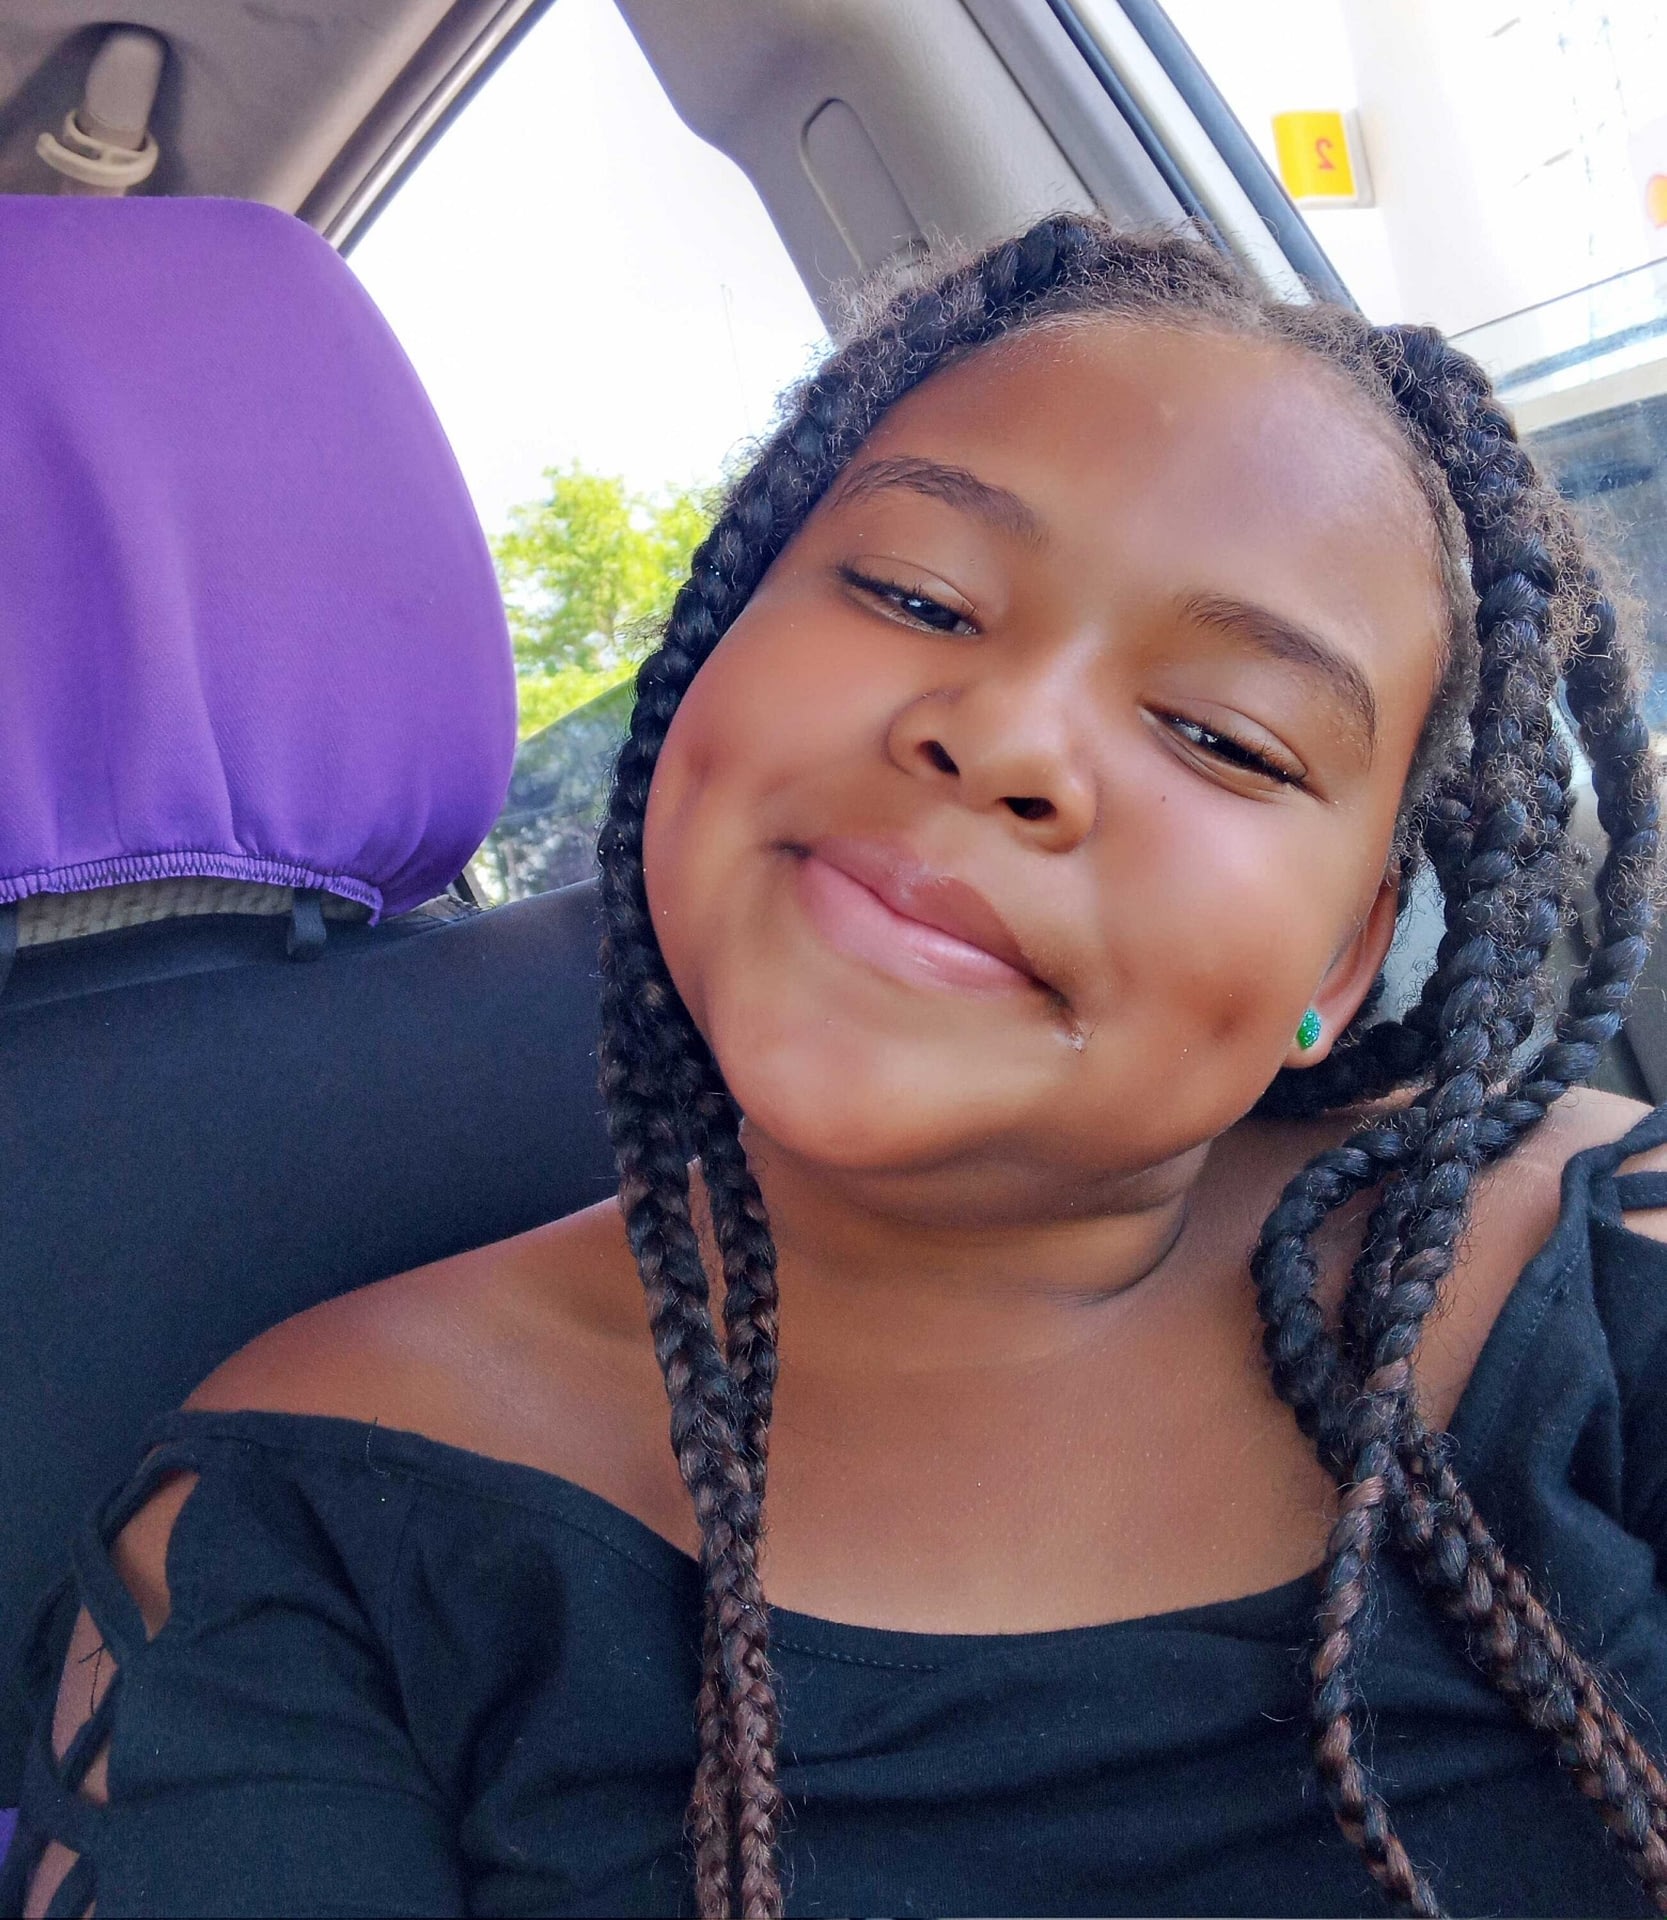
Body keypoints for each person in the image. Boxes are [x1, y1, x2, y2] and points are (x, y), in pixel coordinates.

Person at [9, 215, 1667, 1920]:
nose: (1005, 734)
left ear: (1343, 959)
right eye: (912, 595)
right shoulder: (300, 1514)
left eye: (1222, 735)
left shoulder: (1600, 1269)